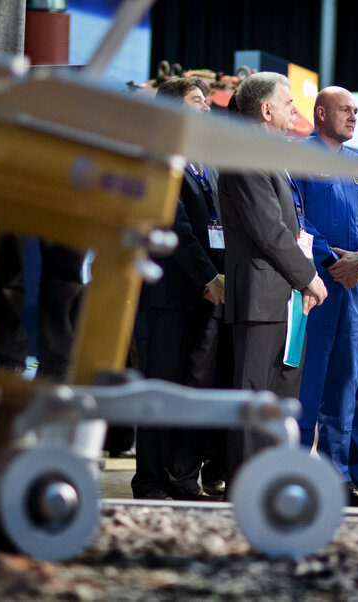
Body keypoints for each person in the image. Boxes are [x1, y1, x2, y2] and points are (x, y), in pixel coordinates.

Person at [217, 72, 328, 478]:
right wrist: (310, 278)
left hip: (283, 296)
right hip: (262, 297)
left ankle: (269, 488)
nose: (294, 112)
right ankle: (245, 492)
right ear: (266, 109)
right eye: (289, 104)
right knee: (255, 402)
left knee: (278, 402)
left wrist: (302, 281)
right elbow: (270, 230)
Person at [132, 77, 228, 501]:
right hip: (170, 295)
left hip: (202, 294)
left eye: (207, 101)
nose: (206, 108)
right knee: (161, 389)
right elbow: (177, 228)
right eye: (196, 101)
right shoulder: (160, 156)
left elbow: (215, 227)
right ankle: (150, 483)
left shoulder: (203, 161)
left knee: (191, 389)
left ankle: (179, 476)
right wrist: (209, 278)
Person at [296, 86, 358, 506]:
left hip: (356, 286)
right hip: (316, 284)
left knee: (346, 382)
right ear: (319, 113)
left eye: (356, 110)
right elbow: (297, 217)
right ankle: (295, 469)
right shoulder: (299, 158)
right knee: (308, 380)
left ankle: (337, 474)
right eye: (344, 110)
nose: (353, 117)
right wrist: (332, 259)